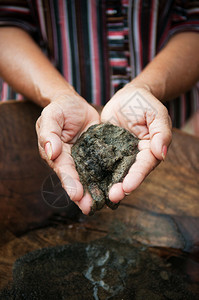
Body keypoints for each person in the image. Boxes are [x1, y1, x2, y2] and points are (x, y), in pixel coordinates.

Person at [0, 0, 198, 214]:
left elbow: (194, 21)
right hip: (47, 118)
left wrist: (146, 88)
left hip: (149, 123)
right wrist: (58, 95)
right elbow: (7, 24)